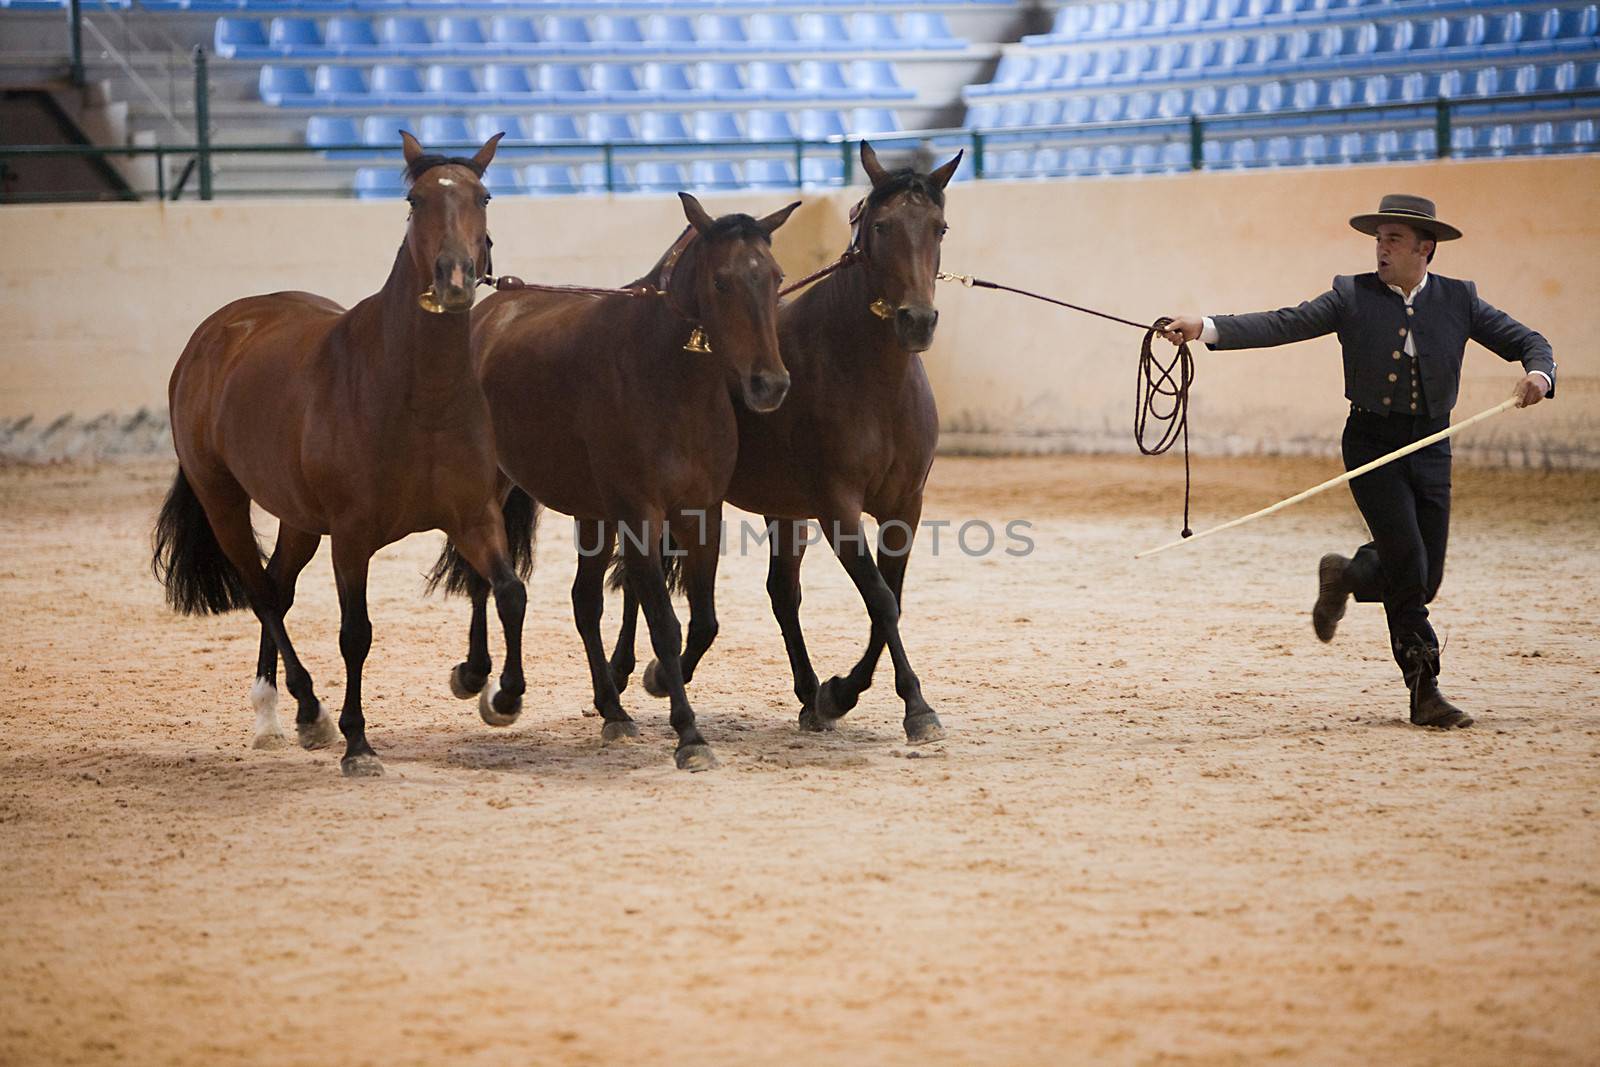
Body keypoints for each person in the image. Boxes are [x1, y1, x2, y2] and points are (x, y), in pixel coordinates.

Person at [1159, 194, 1555, 729]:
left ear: (1425, 249)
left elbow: (1528, 341)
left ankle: (1346, 574)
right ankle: (1425, 690)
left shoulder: (1460, 299)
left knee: (1423, 573)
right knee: (1410, 565)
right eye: (1378, 239)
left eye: (1393, 239)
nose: (1381, 249)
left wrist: (1539, 373)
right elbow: (1285, 323)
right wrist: (1205, 325)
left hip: (1432, 446)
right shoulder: (1351, 294)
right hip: (1371, 443)